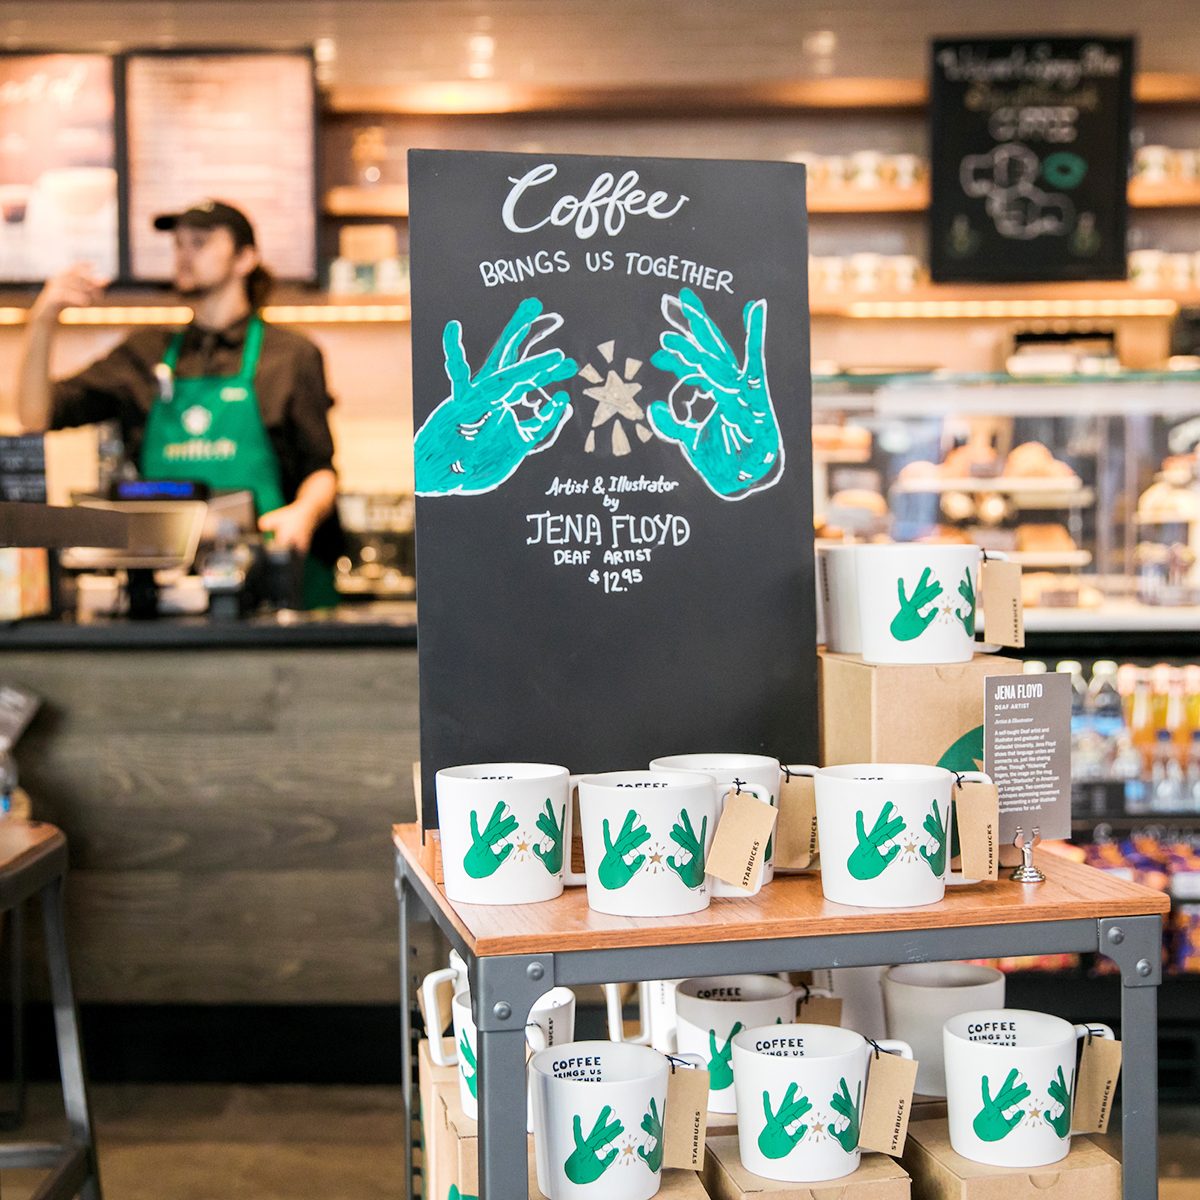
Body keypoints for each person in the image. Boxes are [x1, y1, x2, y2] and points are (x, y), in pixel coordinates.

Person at [13, 199, 341, 608]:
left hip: (272, 589)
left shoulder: (291, 355)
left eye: (200, 243)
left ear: (245, 259)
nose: (185, 255)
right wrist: (43, 317)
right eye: (179, 245)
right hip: (167, 592)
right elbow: (35, 415)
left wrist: (303, 513)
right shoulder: (145, 353)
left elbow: (321, 471)